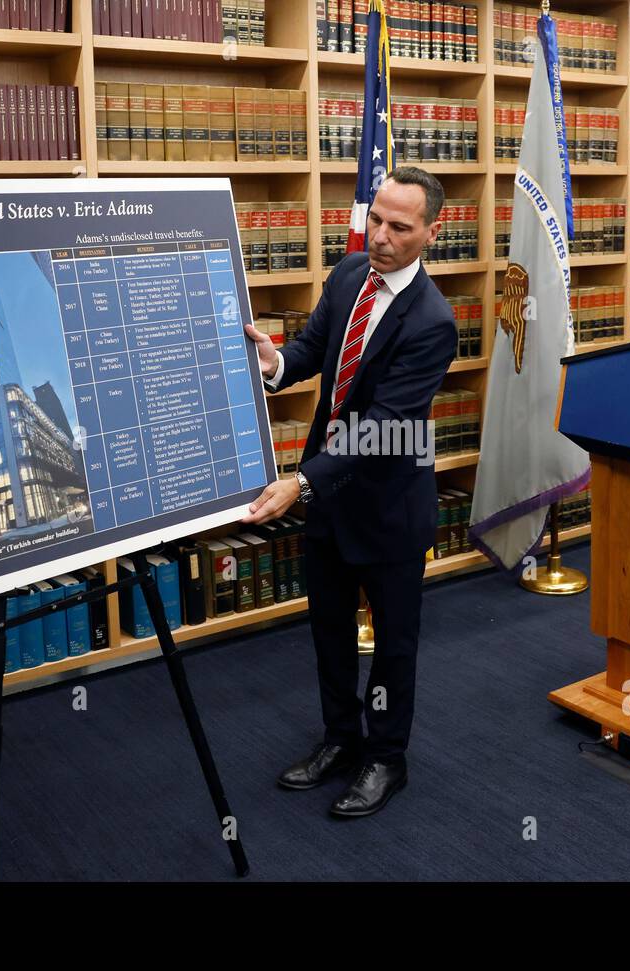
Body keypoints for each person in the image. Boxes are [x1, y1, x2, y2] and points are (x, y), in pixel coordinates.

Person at [241, 167, 457, 817]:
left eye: (399, 226)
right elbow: (313, 352)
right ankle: (341, 738)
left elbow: (382, 428)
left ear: (431, 233)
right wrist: (275, 363)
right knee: (328, 630)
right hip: (330, 500)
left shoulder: (432, 321)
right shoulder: (346, 276)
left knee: (392, 644)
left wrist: (300, 480)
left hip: (388, 504)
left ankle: (386, 758)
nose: (381, 236)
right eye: (375, 219)